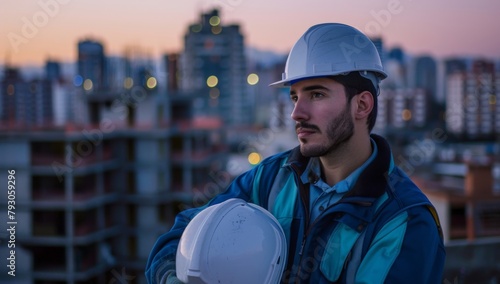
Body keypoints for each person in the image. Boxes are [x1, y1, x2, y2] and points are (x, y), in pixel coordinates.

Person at [146, 23, 445, 284]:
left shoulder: (404, 221)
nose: (296, 113)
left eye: (316, 94)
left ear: (362, 105)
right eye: (293, 97)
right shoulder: (271, 179)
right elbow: (186, 235)